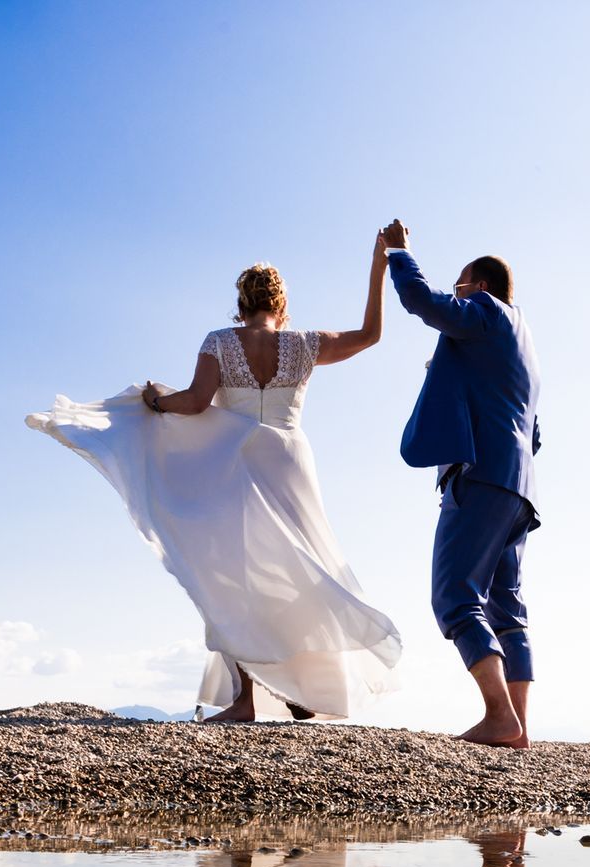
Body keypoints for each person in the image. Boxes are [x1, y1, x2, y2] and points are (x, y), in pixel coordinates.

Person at [26, 238, 401, 722]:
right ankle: (297, 687)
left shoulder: (220, 341)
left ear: (241, 304)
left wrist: (155, 402)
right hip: (290, 461)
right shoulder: (306, 343)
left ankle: (248, 700)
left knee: (232, 578)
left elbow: (196, 402)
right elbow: (370, 334)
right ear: (281, 305)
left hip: (235, 462)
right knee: (298, 567)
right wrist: (379, 265)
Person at [381, 220, 543, 748]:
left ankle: (498, 716)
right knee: (506, 606)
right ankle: (517, 726)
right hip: (520, 489)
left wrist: (399, 253)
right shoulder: (524, 344)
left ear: (480, 287)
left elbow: (421, 302)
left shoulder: (487, 311)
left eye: (460, 286)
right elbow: (534, 432)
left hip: (480, 478)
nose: (456, 294)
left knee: (455, 596)